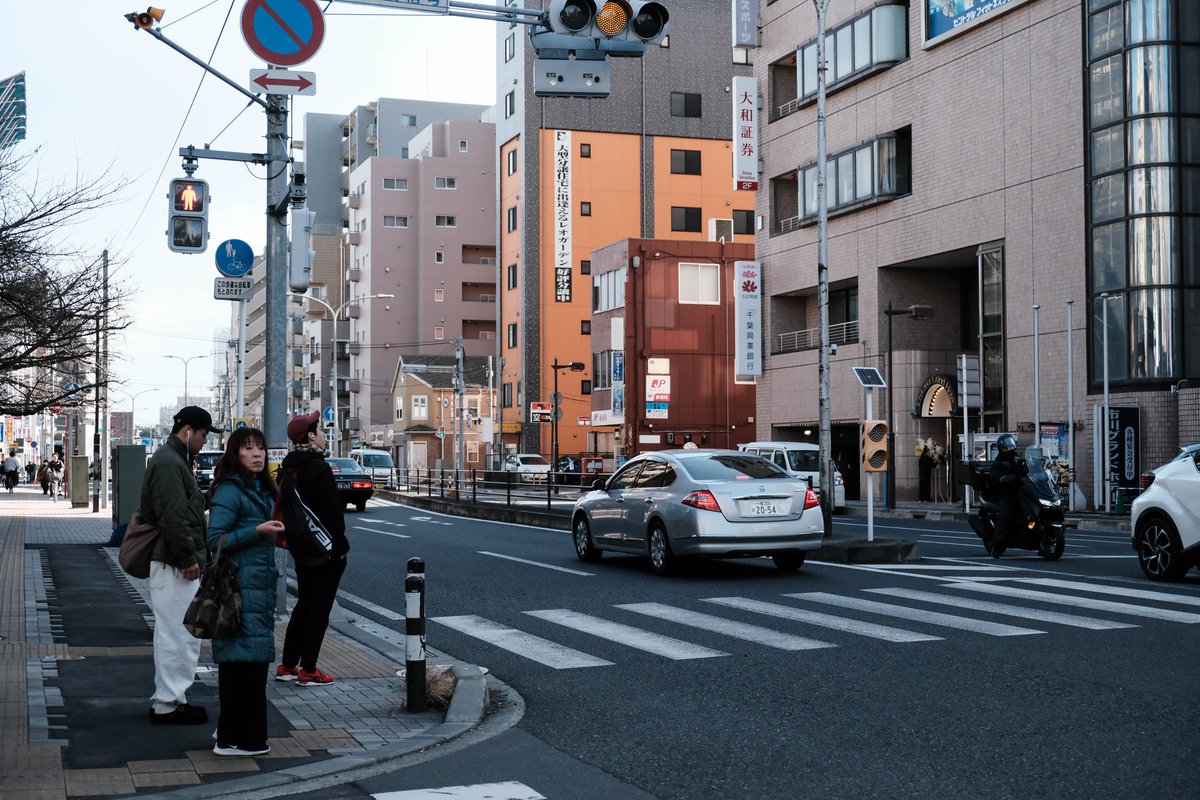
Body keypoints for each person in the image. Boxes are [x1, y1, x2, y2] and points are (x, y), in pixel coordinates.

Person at [206, 426, 285, 757]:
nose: (257, 454)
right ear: (234, 454)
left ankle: (234, 735)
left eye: (260, 449)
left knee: (249, 666)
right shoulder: (229, 491)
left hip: (256, 589)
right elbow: (215, 541)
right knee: (242, 666)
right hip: (237, 592)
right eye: (248, 449)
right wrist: (257, 531)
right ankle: (236, 739)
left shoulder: (261, 490)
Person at [144, 406, 222, 724]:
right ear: (188, 430)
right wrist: (188, 558)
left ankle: (172, 698)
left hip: (175, 561)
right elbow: (174, 516)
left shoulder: (175, 460)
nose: (205, 441)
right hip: (175, 563)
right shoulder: (168, 462)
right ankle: (168, 703)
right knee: (178, 633)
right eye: (203, 434)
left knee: (178, 633)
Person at [276, 411, 349, 688]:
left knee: (304, 605)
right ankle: (308, 669)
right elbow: (333, 517)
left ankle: (287, 664)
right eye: (319, 430)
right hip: (325, 551)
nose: (323, 434)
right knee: (319, 609)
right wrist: (339, 548)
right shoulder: (319, 468)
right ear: (309, 436)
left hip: (302, 549)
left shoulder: (289, 469)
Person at [989, 433, 1027, 555]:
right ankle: (997, 544)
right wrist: (1007, 478)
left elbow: (1028, 470)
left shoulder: (1017, 459)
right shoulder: (998, 463)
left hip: (1022, 491)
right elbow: (996, 477)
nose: (1009, 449)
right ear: (1001, 448)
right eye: (1006, 447)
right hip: (1006, 493)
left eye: (1011, 446)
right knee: (1007, 514)